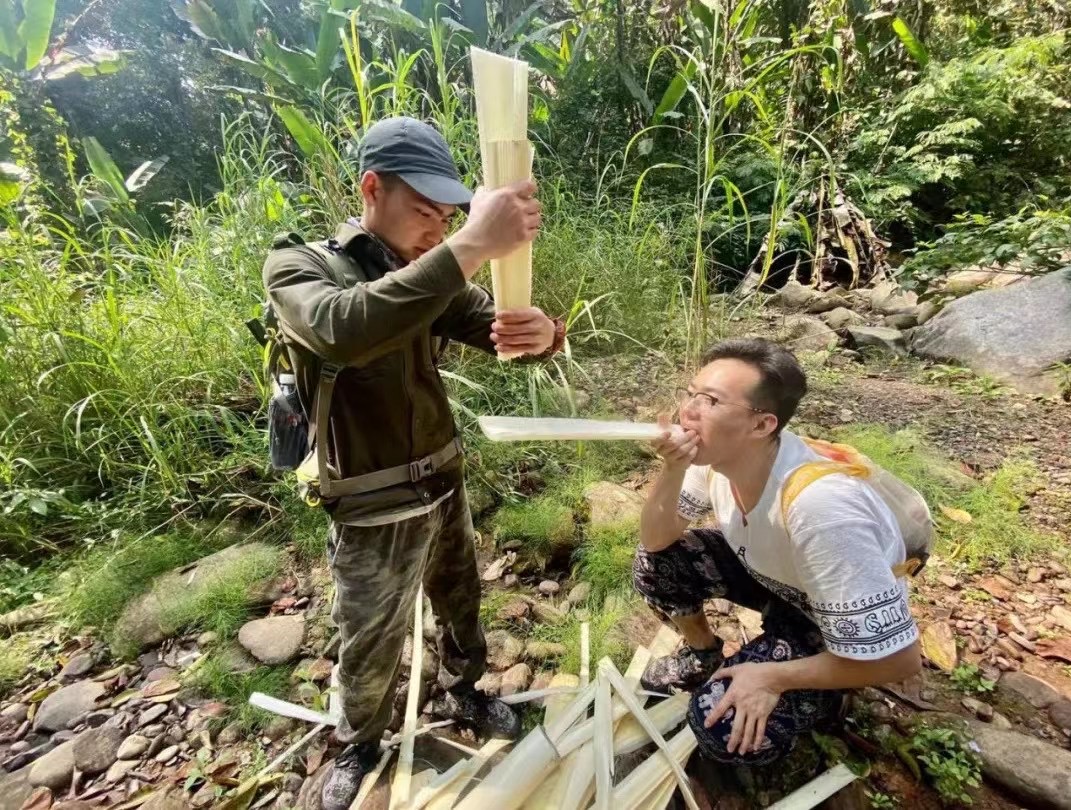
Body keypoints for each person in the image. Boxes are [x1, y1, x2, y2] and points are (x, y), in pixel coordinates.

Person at [263, 117, 565, 810]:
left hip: (442, 477)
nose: (438, 226)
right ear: (372, 188)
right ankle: (360, 741)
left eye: (450, 214)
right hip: (370, 504)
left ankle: (465, 692)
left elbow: (499, 332)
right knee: (369, 637)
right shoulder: (300, 267)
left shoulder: (429, 276)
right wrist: (470, 243)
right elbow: (345, 329)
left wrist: (544, 334)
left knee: (461, 606)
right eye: (425, 211)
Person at [635, 337, 921, 765]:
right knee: (656, 564)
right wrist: (673, 468)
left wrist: (772, 677)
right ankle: (702, 653)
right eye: (691, 393)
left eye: (710, 401)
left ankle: (829, 698)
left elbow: (900, 661)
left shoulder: (821, 508)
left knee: (722, 725)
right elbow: (656, 540)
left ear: (762, 425)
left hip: (822, 616)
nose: (688, 411)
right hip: (775, 578)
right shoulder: (718, 461)